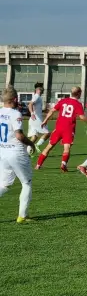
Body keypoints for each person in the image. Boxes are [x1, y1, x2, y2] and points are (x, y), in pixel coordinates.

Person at [0, 86, 36, 223]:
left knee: (4, 185)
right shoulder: (15, 114)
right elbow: (19, 136)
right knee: (26, 183)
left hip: (3, 151)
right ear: (15, 99)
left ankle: (23, 215)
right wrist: (31, 144)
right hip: (16, 152)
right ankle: (23, 216)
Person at [35, 87, 87, 172]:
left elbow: (52, 111)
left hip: (58, 128)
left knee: (49, 147)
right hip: (69, 129)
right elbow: (82, 117)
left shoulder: (63, 101)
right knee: (66, 147)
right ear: (79, 93)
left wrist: (45, 120)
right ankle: (63, 164)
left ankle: (38, 165)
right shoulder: (77, 104)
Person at [27, 82, 50, 153]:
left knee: (34, 137)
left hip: (33, 119)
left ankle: (26, 151)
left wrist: (44, 110)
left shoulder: (37, 97)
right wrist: (32, 113)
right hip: (37, 119)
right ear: (38, 89)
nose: (43, 90)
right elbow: (30, 104)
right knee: (47, 133)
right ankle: (37, 145)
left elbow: (34, 107)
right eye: (42, 88)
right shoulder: (36, 96)